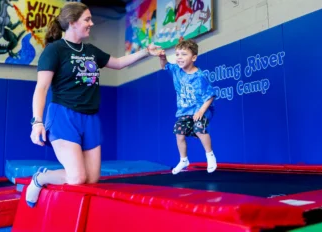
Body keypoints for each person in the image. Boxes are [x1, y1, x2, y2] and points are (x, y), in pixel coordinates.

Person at [27, 2, 161, 208]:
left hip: (89, 118)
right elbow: (41, 88)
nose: (91, 23)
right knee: (77, 177)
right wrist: (37, 122)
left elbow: (117, 63)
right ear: (72, 22)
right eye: (87, 19)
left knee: (91, 179)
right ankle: (41, 177)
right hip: (64, 115)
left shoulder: (90, 50)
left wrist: (146, 52)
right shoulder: (55, 50)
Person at [158, 39, 217, 175]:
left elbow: (210, 96)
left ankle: (210, 155)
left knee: (199, 129)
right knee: (179, 133)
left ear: (194, 57)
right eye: (177, 54)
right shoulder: (176, 70)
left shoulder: (199, 76)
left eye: (184, 54)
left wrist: (201, 111)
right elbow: (164, 66)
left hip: (201, 109)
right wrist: (162, 57)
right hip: (184, 111)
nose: (179, 58)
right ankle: (183, 160)